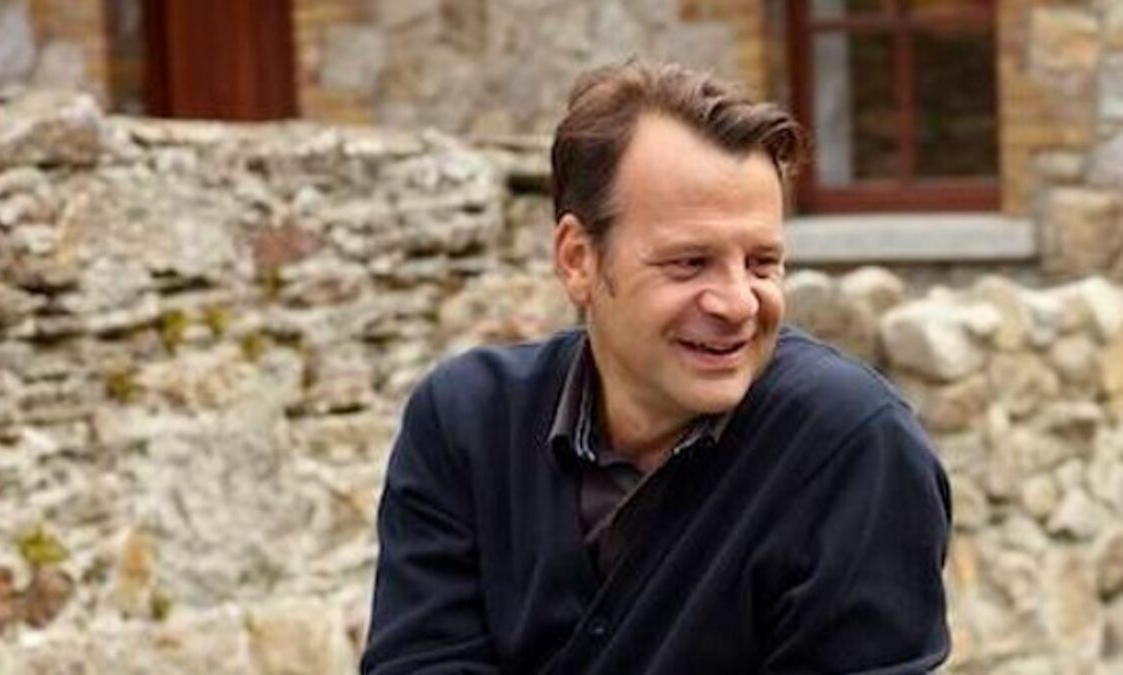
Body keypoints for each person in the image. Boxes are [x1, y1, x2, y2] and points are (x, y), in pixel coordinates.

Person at [361, 61, 952, 674]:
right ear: (578, 259)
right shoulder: (466, 423)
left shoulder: (852, 448)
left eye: (761, 263)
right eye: (689, 262)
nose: (738, 304)